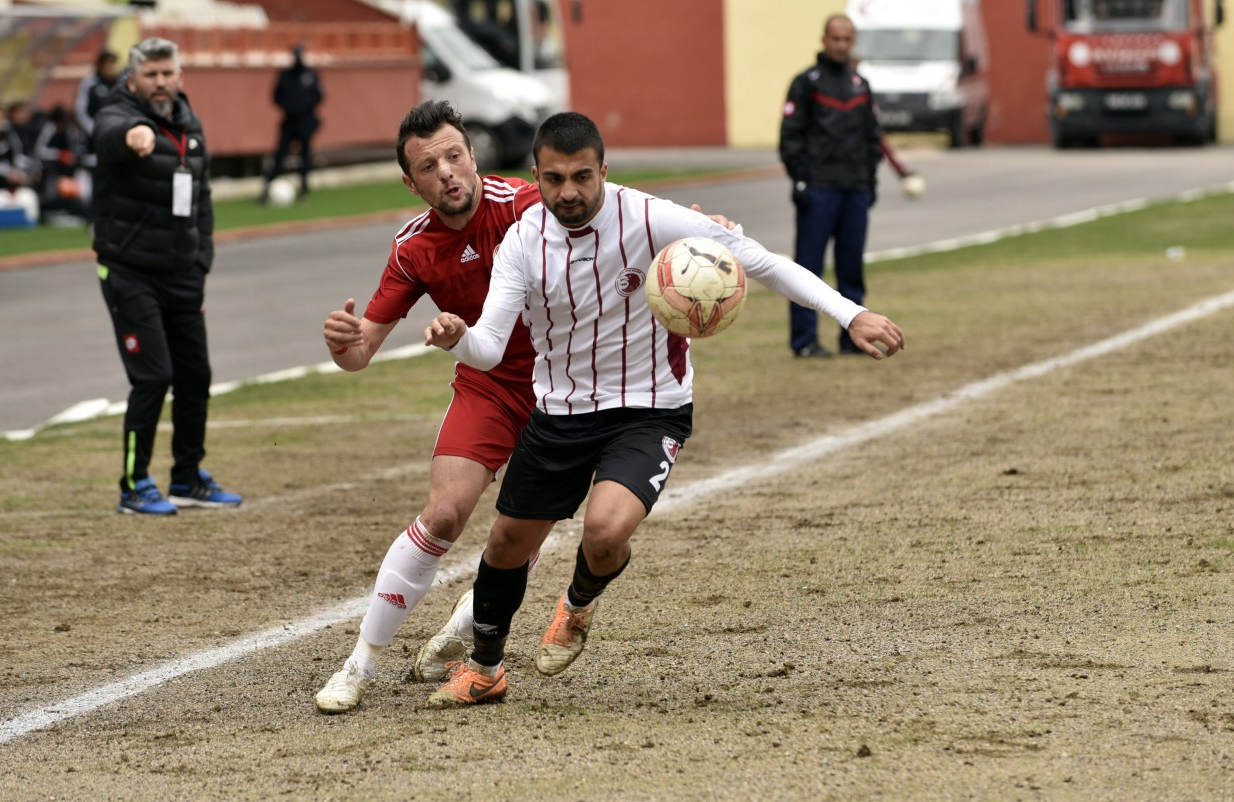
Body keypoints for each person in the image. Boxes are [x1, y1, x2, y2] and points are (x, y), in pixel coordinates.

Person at [420, 111, 905, 708]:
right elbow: (489, 348)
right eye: (553, 180)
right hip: (561, 412)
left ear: (604, 170)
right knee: (506, 545)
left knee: (604, 533)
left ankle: (575, 605)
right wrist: (458, 337)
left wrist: (849, 313)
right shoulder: (522, 241)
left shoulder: (652, 217)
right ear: (535, 177)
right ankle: (485, 670)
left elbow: (762, 261)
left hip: (650, 408)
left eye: (581, 177)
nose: (568, 192)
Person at [312, 100, 733, 714]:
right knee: (444, 515)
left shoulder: (530, 201)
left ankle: (475, 632)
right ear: (411, 183)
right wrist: (343, 345)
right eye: (429, 167)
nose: (447, 173)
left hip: (561, 384)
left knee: (530, 522)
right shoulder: (412, 250)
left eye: (455, 155)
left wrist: (701, 230)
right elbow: (360, 354)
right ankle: (361, 663)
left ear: (474, 155)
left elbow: (615, 208)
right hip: (488, 385)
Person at [90, 37, 242, 515]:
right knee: (154, 375)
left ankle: (186, 477)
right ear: (133, 79)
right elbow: (109, 132)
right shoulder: (119, 112)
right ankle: (134, 483)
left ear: (180, 76)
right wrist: (134, 134)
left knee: (196, 376)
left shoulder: (187, 121)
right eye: (150, 75)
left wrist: (201, 259)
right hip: (130, 271)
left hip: (182, 273)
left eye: (166, 73)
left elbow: (200, 197)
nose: (160, 83)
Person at [779, 14, 883, 359]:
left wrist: (870, 183)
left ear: (852, 42)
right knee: (808, 268)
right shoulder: (806, 83)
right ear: (824, 40)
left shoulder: (860, 84)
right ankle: (805, 340)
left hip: (854, 189)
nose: (840, 45)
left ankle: (852, 337)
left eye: (846, 40)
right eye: (835, 39)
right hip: (819, 188)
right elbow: (790, 137)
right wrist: (801, 179)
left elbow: (872, 139)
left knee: (851, 267)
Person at [259, 45, 322, 203]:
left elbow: (319, 95)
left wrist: (305, 107)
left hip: (305, 120)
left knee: (305, 156)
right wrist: (289, 107)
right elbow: (276, 96)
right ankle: (267, 188)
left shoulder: (311, 74)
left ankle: (304, 189)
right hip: (289, 120)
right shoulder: (285, 75)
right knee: (279, 156)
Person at [74, 51, 122, 140]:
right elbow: (80, 111)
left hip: (116, 136)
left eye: (113, 64)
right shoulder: (90, 84)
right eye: (108, 64)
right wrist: (93, 129)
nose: (111, 68)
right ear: (100, 66)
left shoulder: (119, 85)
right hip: (94, 138)